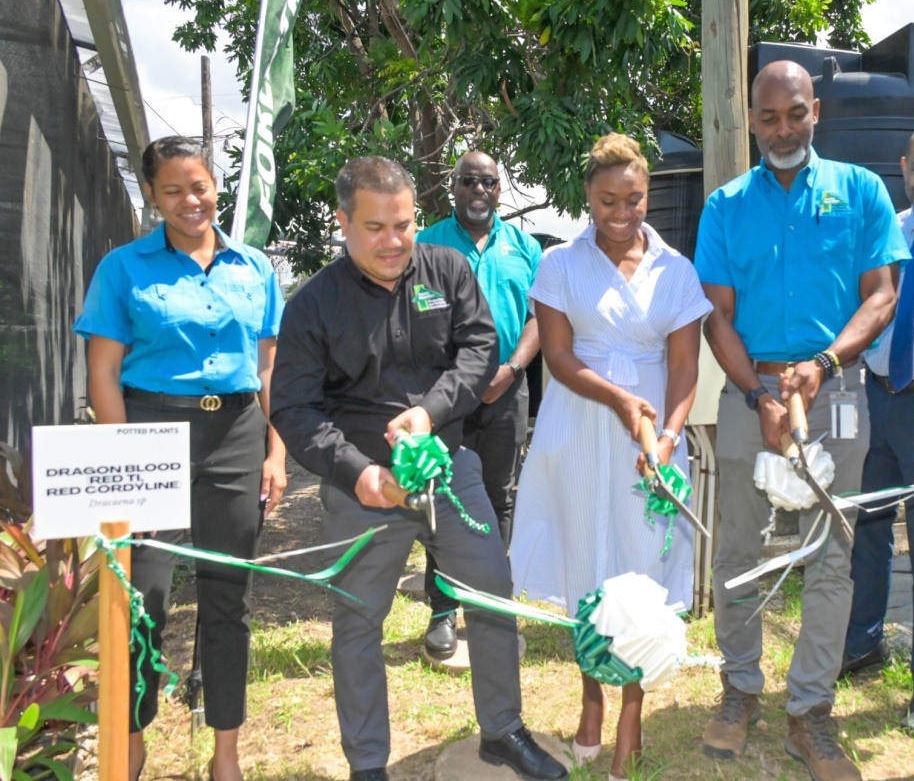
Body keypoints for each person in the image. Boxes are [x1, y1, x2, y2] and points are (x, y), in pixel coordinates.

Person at [269, 157, 567, 781]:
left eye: (402, 224)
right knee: (357, 621)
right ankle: (368, 766)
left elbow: (479, 347)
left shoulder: (447, 268)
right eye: (375, 227)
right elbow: (294, 409)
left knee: (492, 596)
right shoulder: (313, 305)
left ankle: (504, 732)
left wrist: (431, 413)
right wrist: (357, 474)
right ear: (343, 221)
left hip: (450, 470)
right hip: (364, 488)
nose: (393, 241)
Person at [695, 60, 908, 781]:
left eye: (795, 114)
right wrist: (758, 392)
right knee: (739, 554)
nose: (782, 129)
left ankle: (809, 710)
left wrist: (822, 364)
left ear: (816, 110)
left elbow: (881, 297)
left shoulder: (861, 190)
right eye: (769, 118)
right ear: (751, 120)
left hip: (836, 393)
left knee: (832, 554)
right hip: (747, 392)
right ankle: (741, 690)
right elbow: (716, 315)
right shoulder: (724, 204)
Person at [74, 136, 287, 781]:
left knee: (230, 597)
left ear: (215, 186)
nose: (190, 201)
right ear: (152, 196)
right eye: (173, 190)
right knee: (143, 595)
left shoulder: (255, 268)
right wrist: (125, 462)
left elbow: (269, 368)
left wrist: (275, 450)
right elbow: (103, 374)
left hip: (238, 436)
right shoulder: (123, 268)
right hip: (150, 431)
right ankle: (130, 742)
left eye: (199, 187)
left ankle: (226, 752)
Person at [509, 133, 711, 779]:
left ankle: (631, 710)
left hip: (652, 437)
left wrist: (669, 436)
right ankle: (591, 699)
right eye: (607, 201)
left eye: (634, 199)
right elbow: (561, 358)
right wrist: (622, 402)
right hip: (581, 421)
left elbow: (684, 367)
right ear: (587, 198)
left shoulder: (676, 269)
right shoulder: (561, 264)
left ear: (647, 193)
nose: (622, 213)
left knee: (640, 570)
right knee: (586, 564)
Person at [842, 121, 914, 733]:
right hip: (878, 398)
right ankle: (861, 644)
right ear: (903, 166)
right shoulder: (888, 227)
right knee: (867, 529)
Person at [417, 150, 542, 660]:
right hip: (447, 392)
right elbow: (415, 317)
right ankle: (443, 609)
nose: (480, 191)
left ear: (499, 188)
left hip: (508, 388)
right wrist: (457, 377)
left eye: (489, 182)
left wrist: (511, 368)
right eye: (469, 181)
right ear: (454, 187)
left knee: (498, 496)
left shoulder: (525, 247)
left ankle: (491, 605)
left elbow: (540, 319)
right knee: (441, 496)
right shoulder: (426, 244)